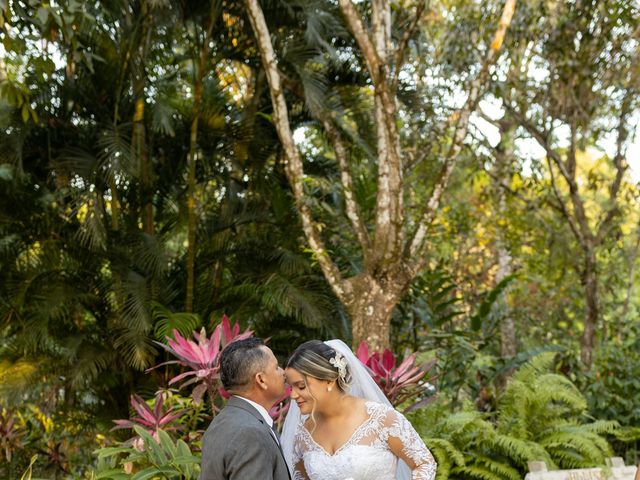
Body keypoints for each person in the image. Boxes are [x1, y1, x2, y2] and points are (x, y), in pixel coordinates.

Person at [281, 339, 437, 480]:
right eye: (291, 387)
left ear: (329, 381)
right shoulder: (304, 434)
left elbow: (425, 463)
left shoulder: (380, 418)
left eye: (301, 386)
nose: (293, 395)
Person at [200, 337, 291, 480]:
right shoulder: (250, 433)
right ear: (261, 380)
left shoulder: (220, 422)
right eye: (276, 367)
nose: (283, 372)